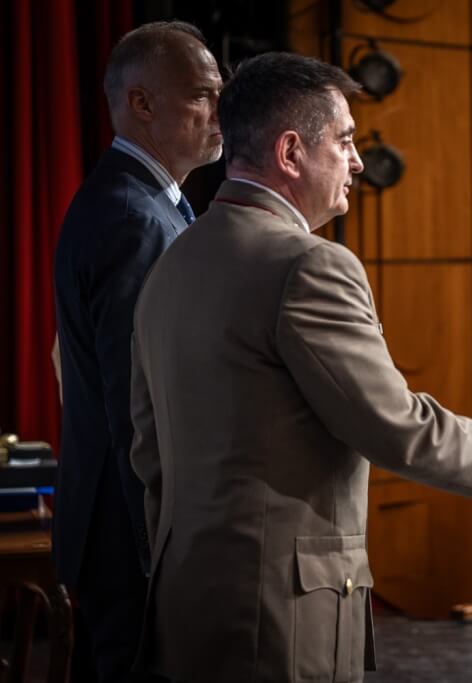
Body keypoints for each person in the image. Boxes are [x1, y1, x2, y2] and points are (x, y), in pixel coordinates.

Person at [128, 52, 472, 683]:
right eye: (344, 140)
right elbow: (395, 426)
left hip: (186, 607)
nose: (358, 161)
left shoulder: (170, 263)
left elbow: (148, 454)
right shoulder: (308, 265)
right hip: (278, 619)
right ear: (290, 152)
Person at [52, 21, 222, 681]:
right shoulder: (135, 217)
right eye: (202, 95)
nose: (221, 110)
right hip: (128, 536)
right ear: (142, 103)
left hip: (113, 526)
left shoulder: (145, 202)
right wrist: (164, 550)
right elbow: (137, 402)